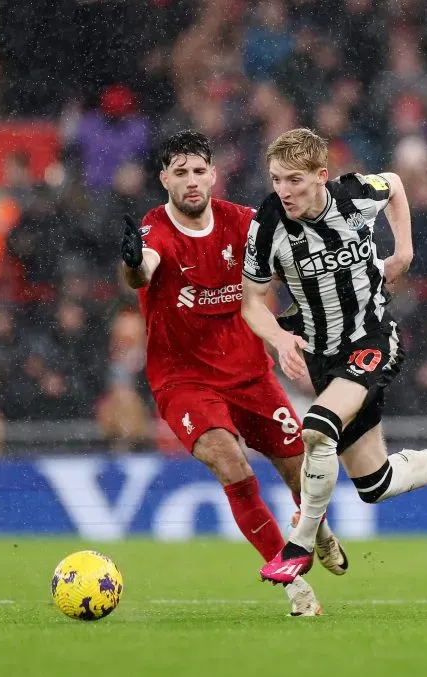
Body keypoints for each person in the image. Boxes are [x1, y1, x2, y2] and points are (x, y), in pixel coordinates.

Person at [239, 128, 427, 587]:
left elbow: (394, 184)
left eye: (294, 180)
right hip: (324, 357)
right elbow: (252, 302)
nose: (284, 190)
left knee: (316, 427)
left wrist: (404, 251)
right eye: (277, 179)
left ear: (321, 176)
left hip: (373, 339)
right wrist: (278, 338)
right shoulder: (268, 223)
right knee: (376, 484)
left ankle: (299, 545)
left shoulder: (354, 194)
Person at [119, 130, 348, 617]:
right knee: (231, 463)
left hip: (249, 373)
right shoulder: (154, 229)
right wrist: (133, 263)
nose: (191, 181)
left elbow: (291, 260)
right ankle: (292, 583)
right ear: (164, 179)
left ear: (213, 175)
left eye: (199, 171)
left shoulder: (244, 223)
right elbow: (143, 269)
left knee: (301, 470)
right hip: (184, 381)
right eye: (180, 173)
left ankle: (319, 532)